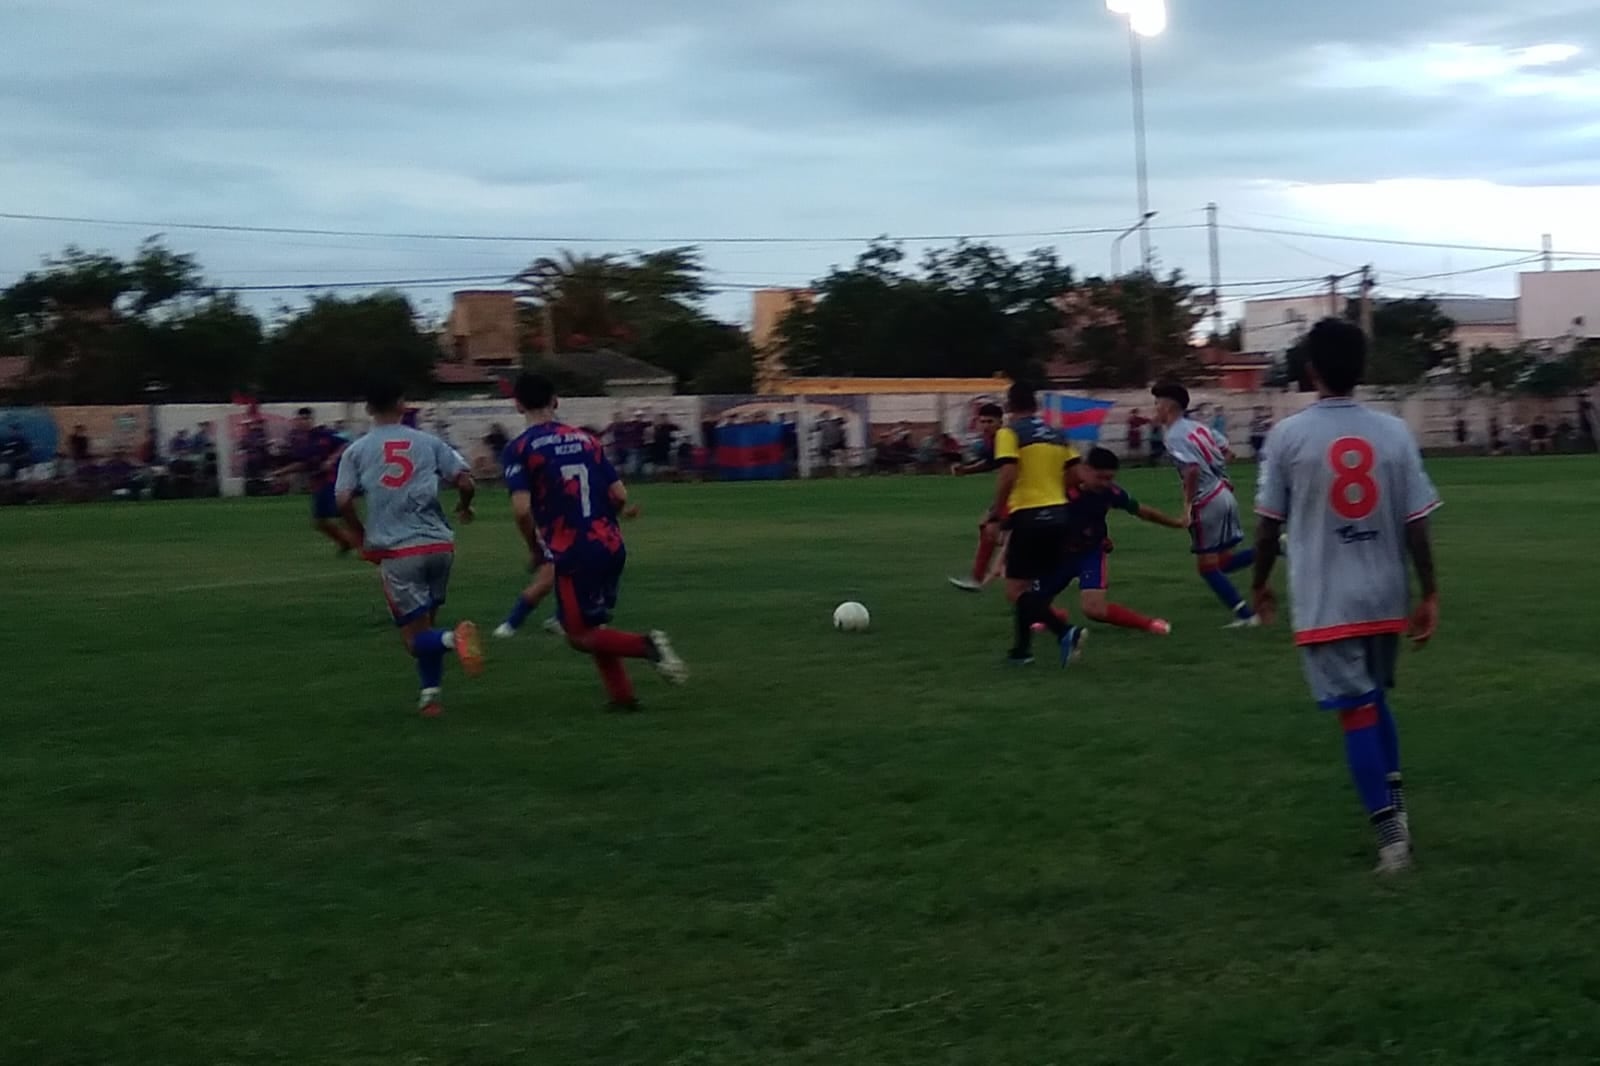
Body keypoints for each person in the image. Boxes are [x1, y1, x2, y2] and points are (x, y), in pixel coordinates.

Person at [1250, 318, 1440, 875]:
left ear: (1310, 370)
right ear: (1362, 369)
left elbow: (1267, 526)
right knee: (1375, 699)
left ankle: (1391, 842)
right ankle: (1397, 817)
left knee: (1356, 713)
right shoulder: (1394, 432)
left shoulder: (1287, 436)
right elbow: (1417, 524)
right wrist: (1429, 591)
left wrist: (1258, 582)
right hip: (1385, 594)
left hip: (1326, 598)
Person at [502, 373, 687, 711]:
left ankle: (646, 645)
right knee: (594, 624)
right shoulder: (588, 441)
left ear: (516, 405)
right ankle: (623, 698)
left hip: (573, 550)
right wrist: (603, 519)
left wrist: (534, 549)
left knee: (579, 636)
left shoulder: (520, 448)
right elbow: (619, 494)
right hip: (610, 543)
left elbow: (521, 510)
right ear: (555, 402)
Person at [335, 381, 484, 718]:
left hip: (399, 552)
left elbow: (343, 499)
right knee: (424, 627)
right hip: (440, 546)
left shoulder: (356, 450)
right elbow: (464, 480)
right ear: (403, 405)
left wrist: (359, 535)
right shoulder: (430, 442)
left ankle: (453, 640)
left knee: (414, 641)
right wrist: (464, 507)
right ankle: (430, 698)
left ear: (368, 409)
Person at [988, 382, 1087, 666]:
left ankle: (1065, 632)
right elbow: (1075, 476)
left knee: (1015, 591)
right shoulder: (1057, 434)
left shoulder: (1009, 433)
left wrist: (997, 514)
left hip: (1029, 516)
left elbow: (1007, 475)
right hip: (1059, 515)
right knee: (1029, 588)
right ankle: (1021, 652)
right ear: (1037, 407)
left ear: (1008, 407)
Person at [1044, 448, 1189, 635]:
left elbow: (1142, 511)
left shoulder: (1110, 493)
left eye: (1110, 478)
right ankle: (1053, 617)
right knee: (1027, 598)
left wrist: (1175, 523)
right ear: (1084, 470)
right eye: (1100, 477)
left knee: (1093, 609)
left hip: (1090, 553)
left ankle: (1149, 624)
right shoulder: (1060, 490)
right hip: (1058, 555)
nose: (1105, 483)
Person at [1151, 382, 1257, 627]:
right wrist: (1217, 474)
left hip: (1207, 501)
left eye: (1157, 404)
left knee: (1207, 567)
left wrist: (1187, 507)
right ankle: (1273, 547)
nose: (1155, 409)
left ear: (1167, 406)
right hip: (1224, 494)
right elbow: (1229, 453)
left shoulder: (1174, 436)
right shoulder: (1199, 427)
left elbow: (1191, 471)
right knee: (1223, 561)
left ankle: (1246, 616)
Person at [949, 403, 1007, 592]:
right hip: (1016, 491)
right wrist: (966, 470)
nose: (985, 425)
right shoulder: (991, 440)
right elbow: (991, 464)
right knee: (989, 529)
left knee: (992, 528)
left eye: (990, 421)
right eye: (982, 421)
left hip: (1022, 491)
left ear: (1000, 422)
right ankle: (978, 577)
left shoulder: (1003, 438)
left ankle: (980, 577)